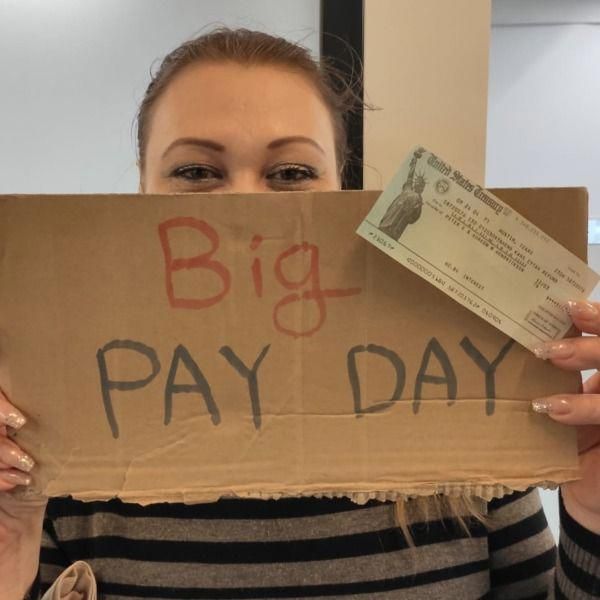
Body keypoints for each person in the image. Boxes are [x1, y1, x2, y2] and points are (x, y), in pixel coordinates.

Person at [1, 27, 599, 600]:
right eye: (195, 172)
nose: (243, 208)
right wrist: (8, 555)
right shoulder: (66, 451)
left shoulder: (471, 429)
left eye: (290, 174)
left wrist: (594, 517)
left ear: (343, 192)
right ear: (139, 193)